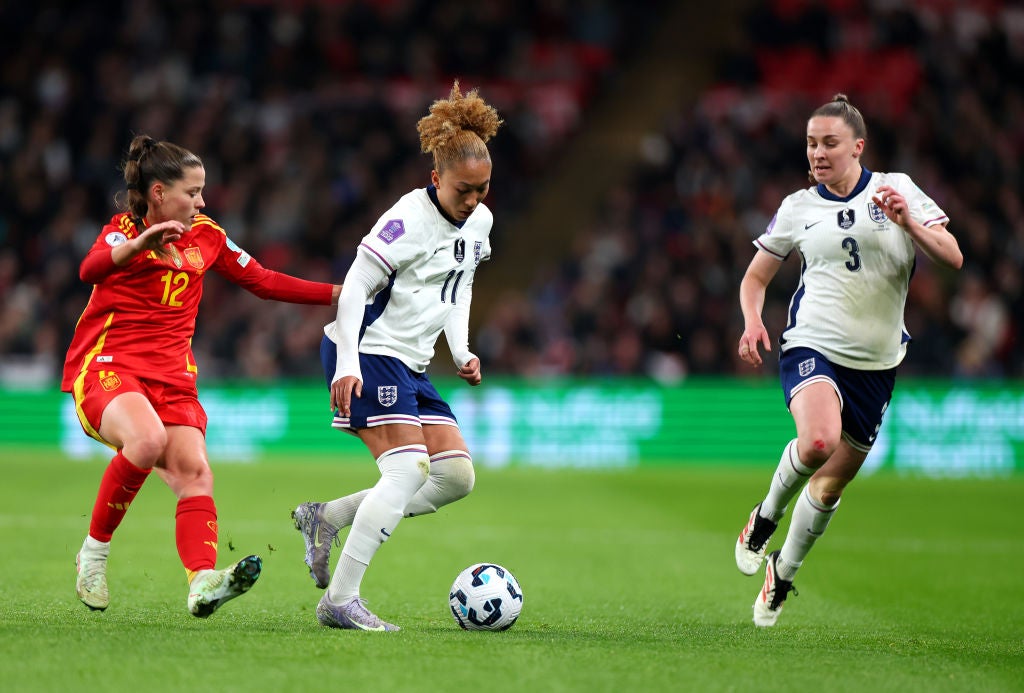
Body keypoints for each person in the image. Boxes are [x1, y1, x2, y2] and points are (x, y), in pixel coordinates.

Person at [63, 135, 341, 617]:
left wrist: (341, 292)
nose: (202, 201)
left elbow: (265, 281)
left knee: (196, 475)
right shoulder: (121, 230)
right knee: (146, 441)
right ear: (158, 194)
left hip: (173, 378)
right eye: (192, 192)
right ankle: (93, 554)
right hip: (109, 367)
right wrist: (139, 245)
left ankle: (202, 581)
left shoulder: (208, 235)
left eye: (202, 191)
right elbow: (89, 270)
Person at [733, 94, 963, 627]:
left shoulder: (897, 189)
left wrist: (909, 223)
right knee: (818, 441)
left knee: (830, 486)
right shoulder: (797, 207)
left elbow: (952, 257)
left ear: (858, 147)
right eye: (812, 143)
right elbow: (754, 279)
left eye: (829, 143)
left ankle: (782, 575)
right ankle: (764, 518)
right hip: (814, 343)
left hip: (878, 363)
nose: (818, 153)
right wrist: (752, 320)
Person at [291, 81, 501, 632]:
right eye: (463, 190)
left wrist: (461, 349)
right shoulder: (407, 219)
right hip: (365, 349)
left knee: (455, 477)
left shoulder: (479, 223)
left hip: (409, 362)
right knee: (407, 470)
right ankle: (340, 600)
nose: (474, 200)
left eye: (482, 188)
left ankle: (327, 517)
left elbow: (459, 287)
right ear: (436, 178)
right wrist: (347, 365)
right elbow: (356, 285)